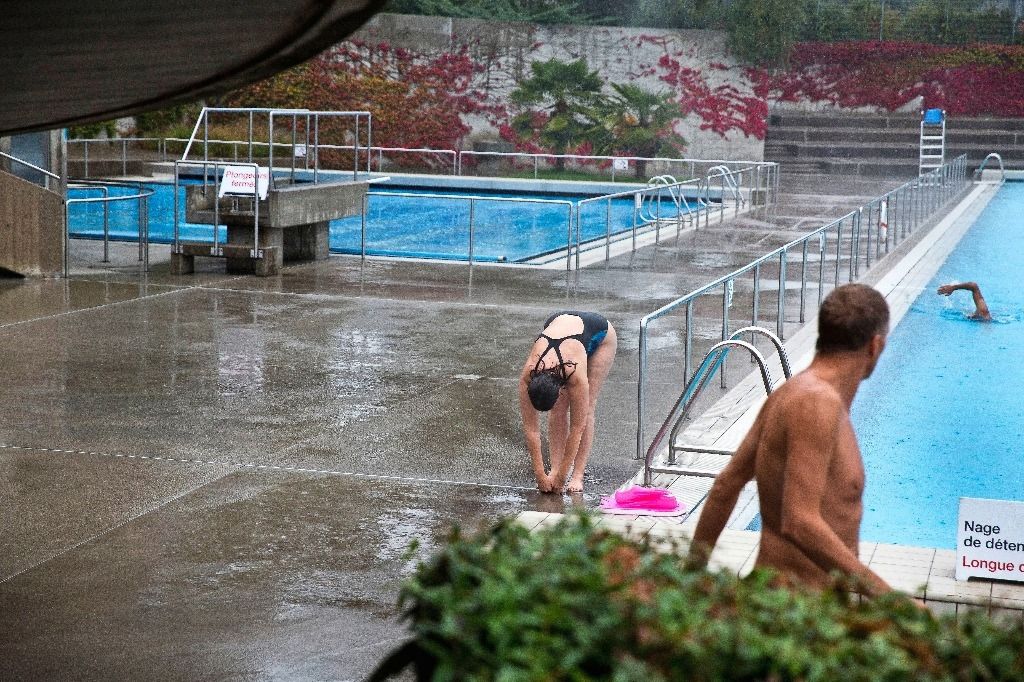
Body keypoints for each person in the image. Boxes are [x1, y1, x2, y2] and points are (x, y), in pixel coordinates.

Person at [687, 284, 894, 598]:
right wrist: (891, 600)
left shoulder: (793, 395)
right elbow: (798, 521)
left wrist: (689, 582)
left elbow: (725, 485)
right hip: (792, 611)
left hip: (792, 608)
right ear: (875, 346)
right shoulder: (816, 403)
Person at [519, 311, 617, 493]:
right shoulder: (528, 373)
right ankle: (554, 468)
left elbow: (577, 427)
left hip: (599, 335)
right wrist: (540, 474)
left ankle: (578, 474)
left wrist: (563, 477)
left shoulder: (574, 375)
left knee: (586, 409)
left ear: (560, 386)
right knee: (558, 409)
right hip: (557, 324)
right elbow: (531, 429)